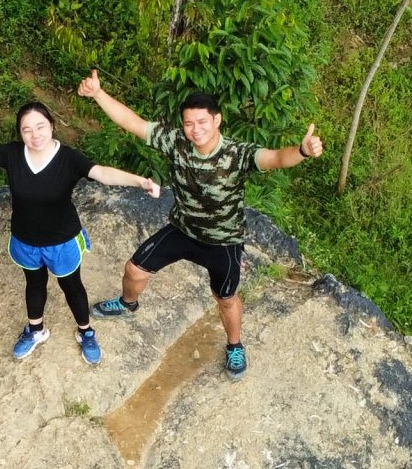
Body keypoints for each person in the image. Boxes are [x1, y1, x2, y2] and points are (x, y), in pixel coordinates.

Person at [74, 71, 322, 377]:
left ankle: (234, 345)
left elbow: (275, 158)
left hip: (223, 241)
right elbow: (133, 123)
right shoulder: (176, 141)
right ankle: (128, 304)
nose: (195, 129)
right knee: (134, 270)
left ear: (217, 120)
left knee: (226, 299)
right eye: (189, 123)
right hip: (183, 230)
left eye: (202, 122)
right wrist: (98, 94)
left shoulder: (236, 154)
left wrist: (301, 151)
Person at [0, 102, 161, 364]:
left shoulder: (68, 158)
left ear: (52, 126)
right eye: (27, 130)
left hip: (62, 240)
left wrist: (139, 182)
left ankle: (86, 331)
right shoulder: (12, 154)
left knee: (72, 286)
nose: (35, 135)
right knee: (34, 284)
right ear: (20, 133)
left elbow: (102, 173)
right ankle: (36, 330)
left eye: (40, 127)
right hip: (26, 239)